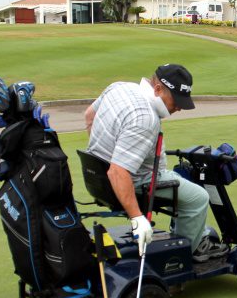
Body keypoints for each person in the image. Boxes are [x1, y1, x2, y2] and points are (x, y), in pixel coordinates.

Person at [84, 63, 226, 261]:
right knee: (199, 198)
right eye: (176, 101)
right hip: (134, 182)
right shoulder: (145, 119)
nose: (179, 108)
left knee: (176, 177)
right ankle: (181, 258)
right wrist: (137, 219)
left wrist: (107, 152)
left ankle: (188, 233)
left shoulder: (119, 87)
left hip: (97, 178)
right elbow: (117, 172)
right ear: (158, 89)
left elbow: (89, 116)